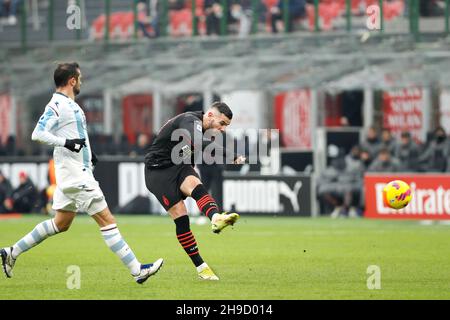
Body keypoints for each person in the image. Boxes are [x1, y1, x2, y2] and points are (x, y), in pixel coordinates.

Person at [1, 62, 163, 284]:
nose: (81, 81)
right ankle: (137, 270)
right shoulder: (57, 103)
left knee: (61, 223)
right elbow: (38, 134)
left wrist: (88, 152)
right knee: (107, 219)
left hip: (75, 172)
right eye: (80, 77)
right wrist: (66, 142)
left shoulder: (69, 104)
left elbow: (76, 137)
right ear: (72, 81)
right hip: (76, 176)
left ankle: (12, 251)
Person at [144, 101, 246, 281]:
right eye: (222, 124)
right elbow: (198, 143)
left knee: (196, 185)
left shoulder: (199, 127)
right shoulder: (190, 121)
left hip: (178, 166)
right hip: (157, 172)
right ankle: (201, 267)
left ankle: (216, 218)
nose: (223, 129)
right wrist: (232, 155)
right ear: (210, 115)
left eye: (226, 126)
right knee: (181, 215)